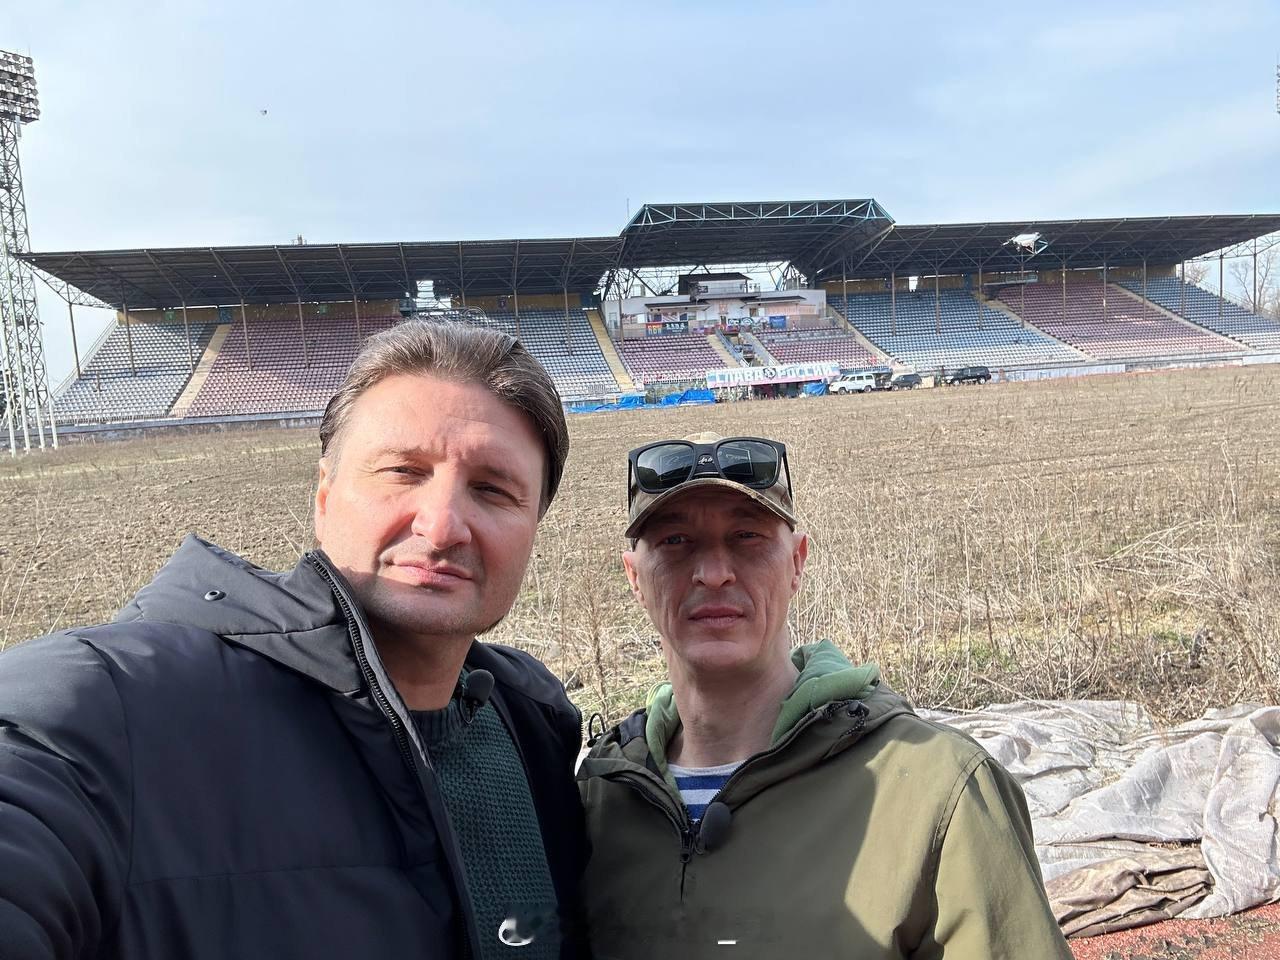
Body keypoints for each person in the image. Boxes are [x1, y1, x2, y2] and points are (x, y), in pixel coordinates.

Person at [0, 322, 587, 960]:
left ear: (534, 527)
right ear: (324, 498)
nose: (443, 526)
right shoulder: (115, 710)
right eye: (402, 471)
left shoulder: (531, 729)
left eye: (493, 490)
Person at [576, 432, 1072, 959]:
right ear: (634, 577)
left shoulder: (938, 791)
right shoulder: (598, 802)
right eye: (676, 541)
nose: (714, 573)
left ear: (797, 562)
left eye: (746, 536)